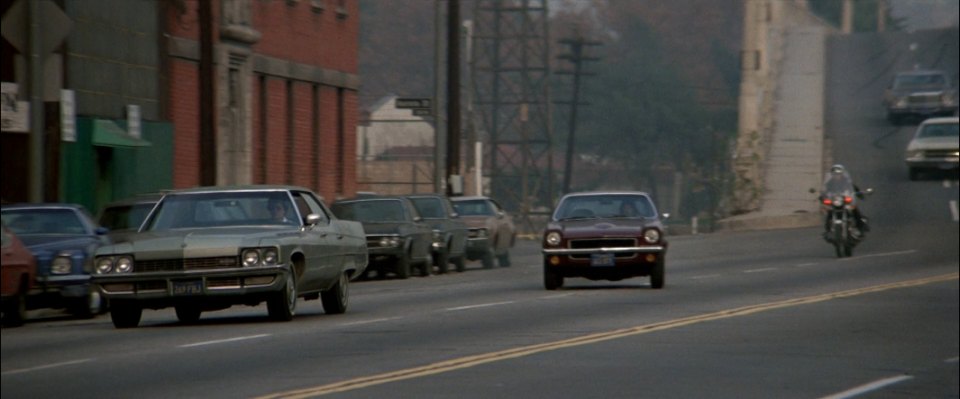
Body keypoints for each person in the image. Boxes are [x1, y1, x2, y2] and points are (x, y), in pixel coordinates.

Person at [821, 164, 869, 233]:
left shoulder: (846, 181)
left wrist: (859, 194)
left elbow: (853, 188)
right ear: (832, 174)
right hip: (836, 201)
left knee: (854, 209)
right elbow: (825, 191)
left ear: (842, 174)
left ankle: (861, 226)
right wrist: (822, 196)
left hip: (845, 200)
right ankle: (828, 229)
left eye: (838, 174)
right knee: (830, 212)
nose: (837, 176)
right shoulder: (830, 183)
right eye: (835, 174)